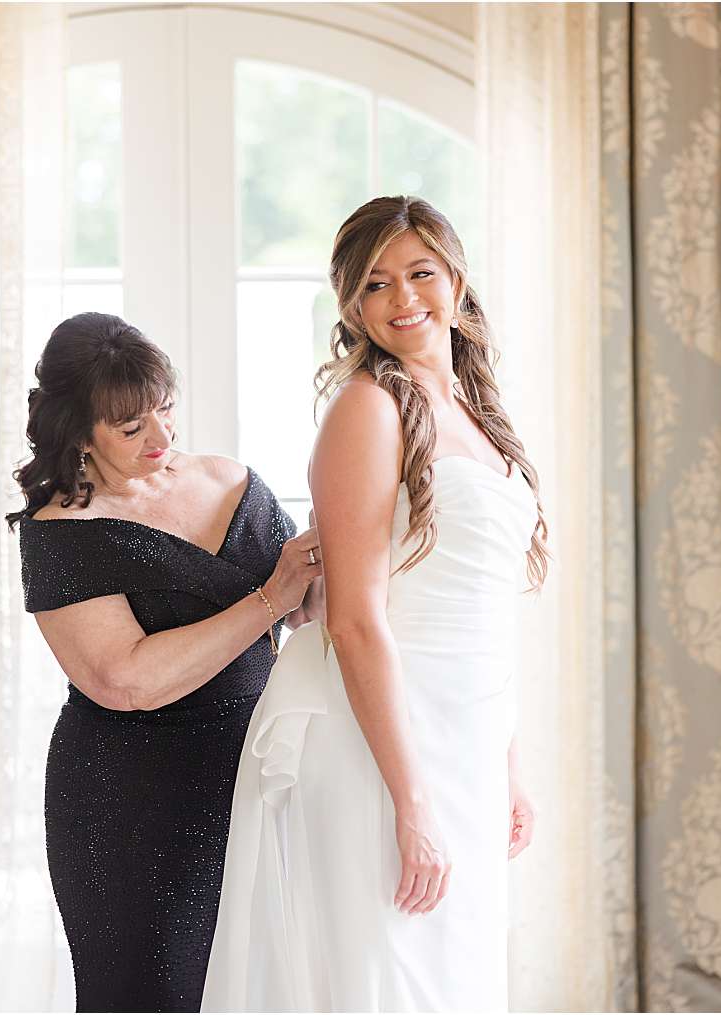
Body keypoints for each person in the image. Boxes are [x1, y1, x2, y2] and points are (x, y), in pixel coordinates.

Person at [202, 196, 548, 1011]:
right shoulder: (368, 408)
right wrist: (411, 798)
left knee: (453, 978)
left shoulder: (478, 415)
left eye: (420, 273)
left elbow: (482, 617)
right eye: (375, 285)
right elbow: (357, 619)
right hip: (381, 745)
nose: (403, 299)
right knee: (391, 981)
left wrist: (508, 767)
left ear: (456, 282)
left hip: (462, 740)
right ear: (352, 308)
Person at [7, 312, 322, 1012]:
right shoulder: (61, 532)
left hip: (251, 779)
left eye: (166, 409)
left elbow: (308, 606)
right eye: (131, 427)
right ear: (79, 433)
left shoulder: (228, 481)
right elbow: (126, 679)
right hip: (131, 806)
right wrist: (269, 599)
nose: (162, 437)